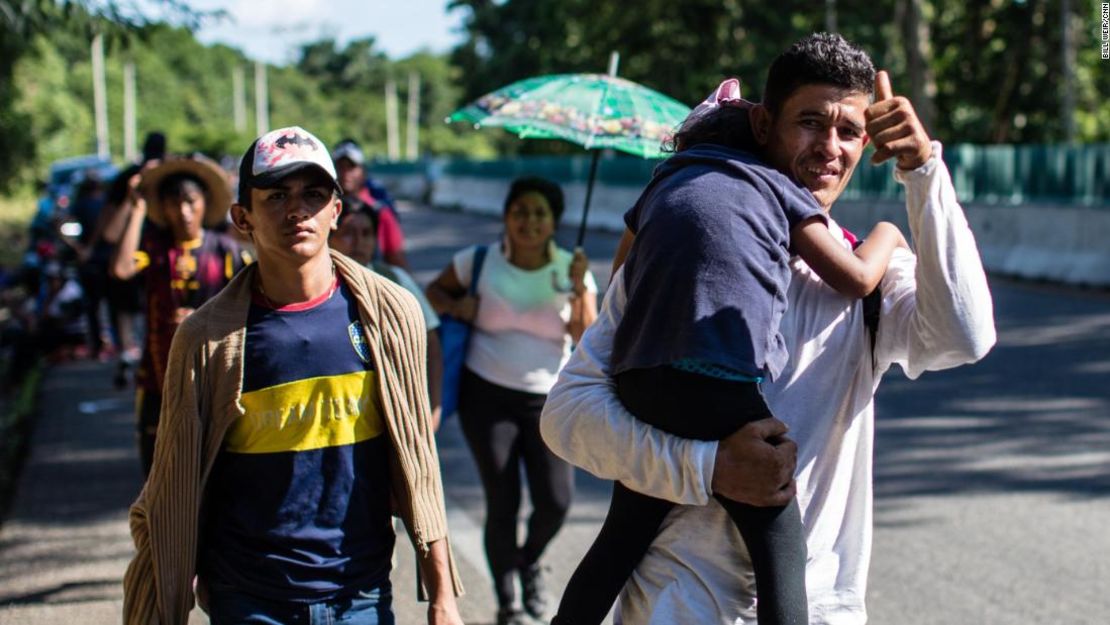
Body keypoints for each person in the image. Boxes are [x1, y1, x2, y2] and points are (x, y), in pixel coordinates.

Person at [541, 33, 996, 624]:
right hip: (676, 605)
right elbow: (568, 415)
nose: (829, 148)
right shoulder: (685, 255)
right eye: (809, 122)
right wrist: (707, 465)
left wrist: (923, 171)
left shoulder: (871, 271)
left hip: (821, 605)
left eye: (849, 131)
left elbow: (965, 335)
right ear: (763, 125)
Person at [122, 126, 465, 625]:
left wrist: (443, 596)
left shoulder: (389, 315)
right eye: (276, 196)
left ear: (336, 211)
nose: (296, 210)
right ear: (243, 217)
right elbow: (173, 482)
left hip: (361, 595)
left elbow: (418, 462)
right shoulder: (208, 338)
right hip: (249, 597)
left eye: (313, 194)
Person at [424, 176, 598, 625]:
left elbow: (588, 339)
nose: (529, 221)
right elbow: (433, 293)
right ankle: (508, 603)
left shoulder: (572, 268)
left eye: (539, 213)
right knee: (502, 501)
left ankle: (528, 561)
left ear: (554, 221)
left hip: (549, 404)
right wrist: (455, 306)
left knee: (556, 502)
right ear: (506, 216)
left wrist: (579, 289)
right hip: (487, 398)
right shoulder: (477, 262)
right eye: (520, 211)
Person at [110, 154, 250, 476]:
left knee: (214, 468)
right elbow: (120, 269)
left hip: (214, 375)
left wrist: (203, 320)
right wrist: (137, 209)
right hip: (158, 373)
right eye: (174, 204)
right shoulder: (155, 250)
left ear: (204, 203)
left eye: (191, 202)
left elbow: (249, 308)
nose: (184, 212)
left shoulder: (223, 251)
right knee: (160, 468)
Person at [330, 193, 445, 429]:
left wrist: (433, 407)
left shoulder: (395, 281)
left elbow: (431, 341)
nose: (358, 242)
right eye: (348, 233)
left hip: (393, 415)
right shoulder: (318, 288)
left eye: (366, 234)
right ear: (329, 235)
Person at [332, 138, 409, 268]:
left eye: (351, 167)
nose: (345, 173)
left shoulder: (381, 212)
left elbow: (396, 260)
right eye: (340, 167)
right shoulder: (323, 210)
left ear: (363, 171)